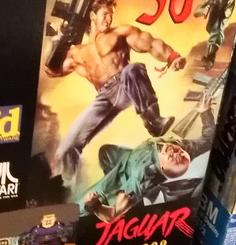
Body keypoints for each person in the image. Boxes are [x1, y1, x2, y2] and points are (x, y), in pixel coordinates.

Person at [47, 0, 186, 182]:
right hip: (104, 98)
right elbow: (52, 71)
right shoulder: (77, 52)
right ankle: (64, 188)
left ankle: (153, 120)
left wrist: (172, 56)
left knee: (132, 69)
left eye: (111, 15)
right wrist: (57, 39)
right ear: (92, 16)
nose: (109, 19)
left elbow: (152, 44)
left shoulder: (120, 33)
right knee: (66, 148)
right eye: (105, 14)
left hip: (125, 85)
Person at [81, 87, 215, 222]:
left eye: (172, 158)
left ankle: (73, 213)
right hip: (126, 155)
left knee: (79, 205)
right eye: (180, 153)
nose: (174, 151)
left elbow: (111, 216)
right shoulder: (187, 149)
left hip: (126, 172)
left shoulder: (142, 177)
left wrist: (95, 205)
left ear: (162, 168)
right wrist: (205, 112)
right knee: (105, 152)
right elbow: (209, 139)